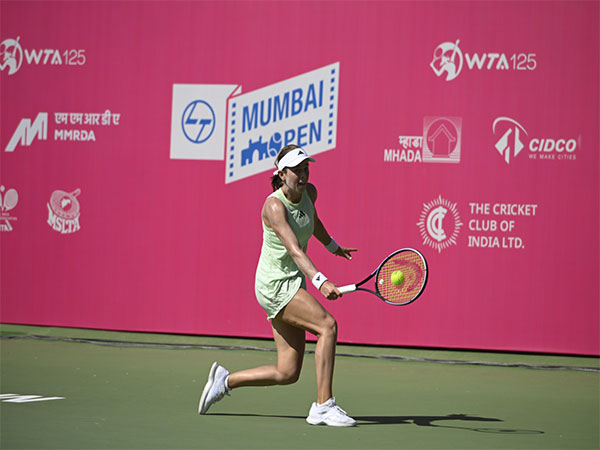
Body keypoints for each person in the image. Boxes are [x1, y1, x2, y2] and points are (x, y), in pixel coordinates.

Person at [198, 144, 358, 427]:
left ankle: (225, 381)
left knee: (288, 371)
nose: (303, 174)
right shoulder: (273, 205)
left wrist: (333, 246)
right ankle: (323, 406)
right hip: (274, 285)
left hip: (292, 282)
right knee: (327, 326)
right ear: (282, 174)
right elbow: (295, 249)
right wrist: (320, 281)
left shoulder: (310, 193)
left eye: (306, 168)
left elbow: (313, 221)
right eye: (296, 170)